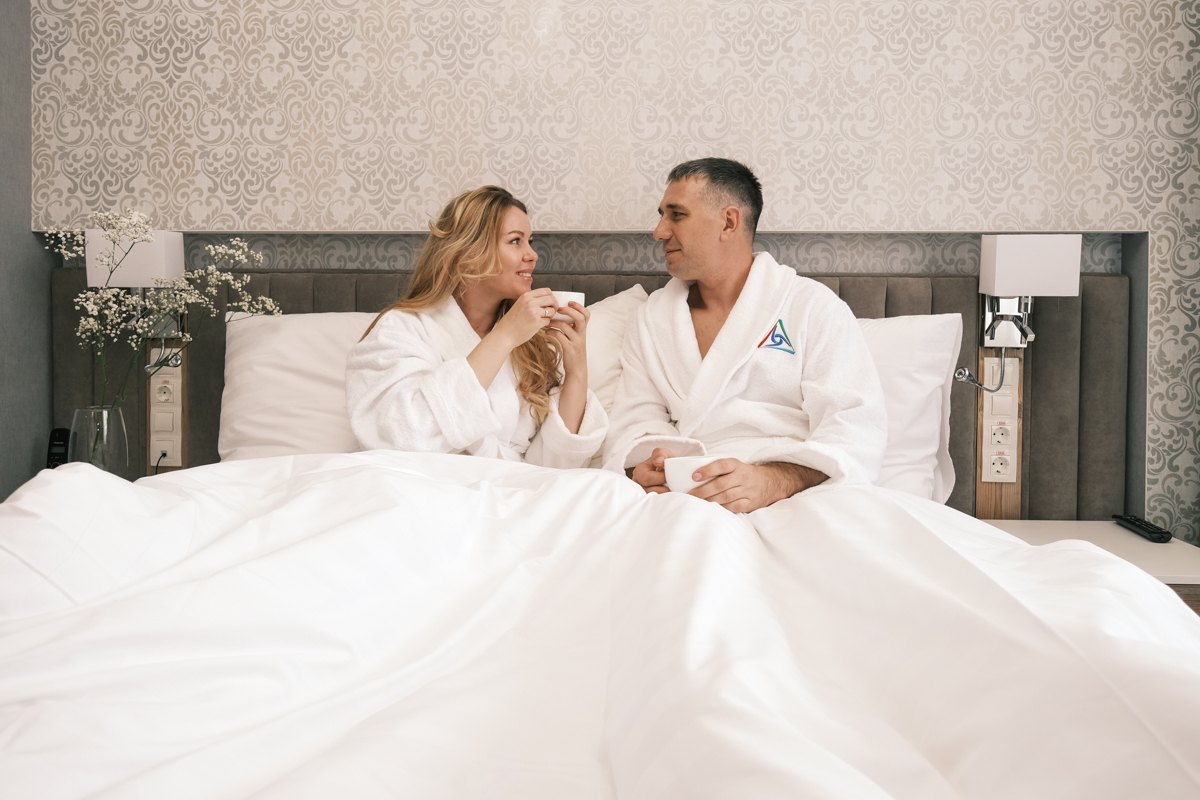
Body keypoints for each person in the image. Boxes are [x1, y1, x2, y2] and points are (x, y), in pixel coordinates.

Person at [603, 158, 887, 511]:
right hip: (686, 497)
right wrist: (645, 467)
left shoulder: (811, 307)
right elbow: (635, 419)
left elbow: (854, 427)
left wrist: (773, 481)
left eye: (676, 215)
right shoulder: (652, 318)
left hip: (797, 498)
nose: (659, 232)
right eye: (662, 216)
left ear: (729, 222)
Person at [346, 185, 607, 468]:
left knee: (609, 487)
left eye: (530, 241)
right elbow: (403, 437)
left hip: (506, 486)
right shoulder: (401, 329)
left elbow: (551, 465)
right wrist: (505, 336)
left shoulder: (529, 345)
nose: (532, 255)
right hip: (425, 482)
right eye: (515, 241)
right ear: (470, 252)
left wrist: (576, 369)